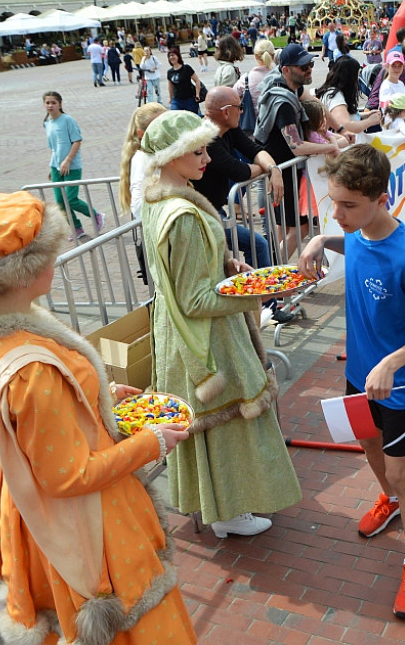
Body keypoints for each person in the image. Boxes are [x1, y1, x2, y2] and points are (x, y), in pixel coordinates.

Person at [0, 191, 196, 645]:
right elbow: (69, 476)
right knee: (129, 622)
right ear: (21, 271)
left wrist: (96, 395)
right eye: (49, 252)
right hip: (81, 519)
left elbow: (31, 422)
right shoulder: (31, 368)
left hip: (24, 499)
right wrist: (152, 441)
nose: (56, 261)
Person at [297, 144, 405, 619]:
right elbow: (358, 243)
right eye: (334, 202)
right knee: (368, 445)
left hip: (399, 384)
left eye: (348, 205)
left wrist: (393, 362)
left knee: (404, 471)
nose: (337, 213)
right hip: (357, 376)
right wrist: (323, 240)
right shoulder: (359, 231)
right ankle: (387, 500)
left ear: (381, 199)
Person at [140, 110, 302, 539]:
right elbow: (195, 298)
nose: (207, 158)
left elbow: (182, 277)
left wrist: (226, 264)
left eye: (205, 148)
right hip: (206, 339)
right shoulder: (185, 215)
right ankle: (227, 512)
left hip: (179, 332)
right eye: (196, 150)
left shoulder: (158, 201)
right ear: (173, 156)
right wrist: (251, 290)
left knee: (210, 423)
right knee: (226, 423)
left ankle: (220, 508)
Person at [254, 44, 339, 255]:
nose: (309, 69)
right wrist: (329, 147)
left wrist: (339, 130)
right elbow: (296, 145)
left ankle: (273, 271)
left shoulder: (291, 91)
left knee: (284, 228)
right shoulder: (283, 102)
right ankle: (274, 274)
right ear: (286, 70)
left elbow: (317, 105)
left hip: (282, 172)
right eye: (303, 67)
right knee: (300, 227)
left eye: (310, 64)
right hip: (282, 174)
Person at [195, 86, 283, 277]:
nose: (242, 111)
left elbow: (255, 150)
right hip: (201, 216)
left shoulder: (228, 129)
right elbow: (240, 171)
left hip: (214, 210)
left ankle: (260, 301)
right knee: (257, 244)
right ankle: (265, 302)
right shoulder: (207, 140)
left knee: (249, 248)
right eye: (240, 106)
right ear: (226, 112)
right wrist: (265, 168)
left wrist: (274, 170)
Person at [42, 91, 104, 239]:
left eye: (53, 103)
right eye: (47, 103)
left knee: (71, 199)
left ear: (60, 104)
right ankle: (77, 228)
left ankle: (96, 215)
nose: (50, 105)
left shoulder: (68, 120)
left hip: (71, 166)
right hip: (56, 166)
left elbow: (77, 141)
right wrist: (52, 166)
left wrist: (68, 160)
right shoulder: (47, 123)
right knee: (60, 202)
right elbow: (53, 147)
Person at [120, 102, 167, 219]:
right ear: (141, 134)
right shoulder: (142, 159)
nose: (165, 131)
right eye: (157, 127)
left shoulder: (162, 152)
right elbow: (138, 207)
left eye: (167, 124)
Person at [316, 55, 383, 136]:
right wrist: (370, 121)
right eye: (357, 76)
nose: (358, 80)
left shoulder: (333, 93)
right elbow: (345, 126)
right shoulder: (336, 97)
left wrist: (365, 115)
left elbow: (342, 116)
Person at [234, 38, 276, 127]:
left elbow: (231, 98)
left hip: (252, 127)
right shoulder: (281, 77)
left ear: (256, 56)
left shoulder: (246, 79)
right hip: (277, 128)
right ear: (273, 56)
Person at [166, 46, 203, 114]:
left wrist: (197, 94)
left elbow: (197, 80)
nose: (171, 57)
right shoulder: (170, 72)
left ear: (178, 56)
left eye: (173, 55)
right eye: (169, 56)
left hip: (189, 99)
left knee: (192, 118)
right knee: (174, 116)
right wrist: (171, 98)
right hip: (177, 100)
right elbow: (170, 86)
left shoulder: (186, 68)